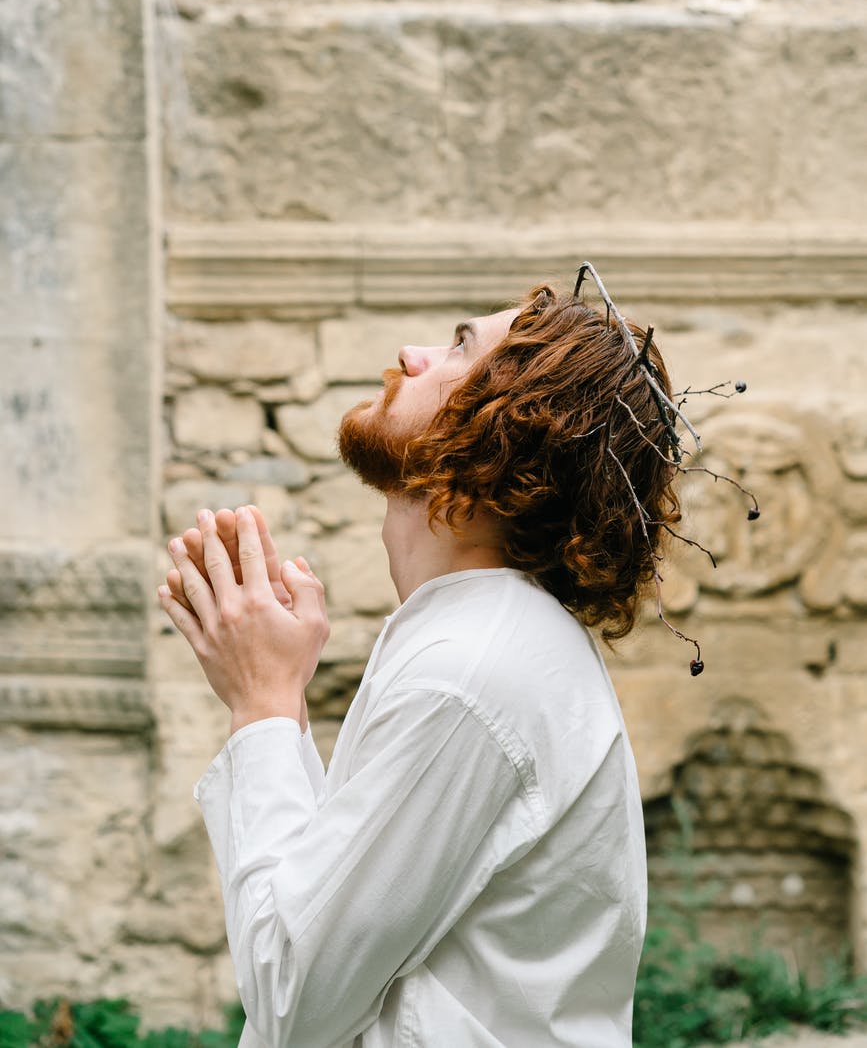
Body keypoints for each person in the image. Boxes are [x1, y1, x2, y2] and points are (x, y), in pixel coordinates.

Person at [158, 281, 680, 1048]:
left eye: (460, 349)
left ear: (508, 432)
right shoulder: (476, 639)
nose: (410, 355)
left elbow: (292, 995)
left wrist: (261, 705)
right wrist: (284, 699)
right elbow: (325, 927)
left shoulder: (472, 672)